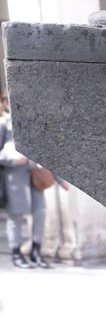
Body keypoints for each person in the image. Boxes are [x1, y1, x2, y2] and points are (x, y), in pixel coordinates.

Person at [0, 94, 50, 270]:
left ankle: (37, 251)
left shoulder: (31, 124)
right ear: (5, 104)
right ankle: (16, 253)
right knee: (16, 216)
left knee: (40, 212)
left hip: (35, 175)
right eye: (8, 101)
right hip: (15, 178)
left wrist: (59, 179)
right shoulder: (2, 126)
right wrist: (14, 161)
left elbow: (47, 153)